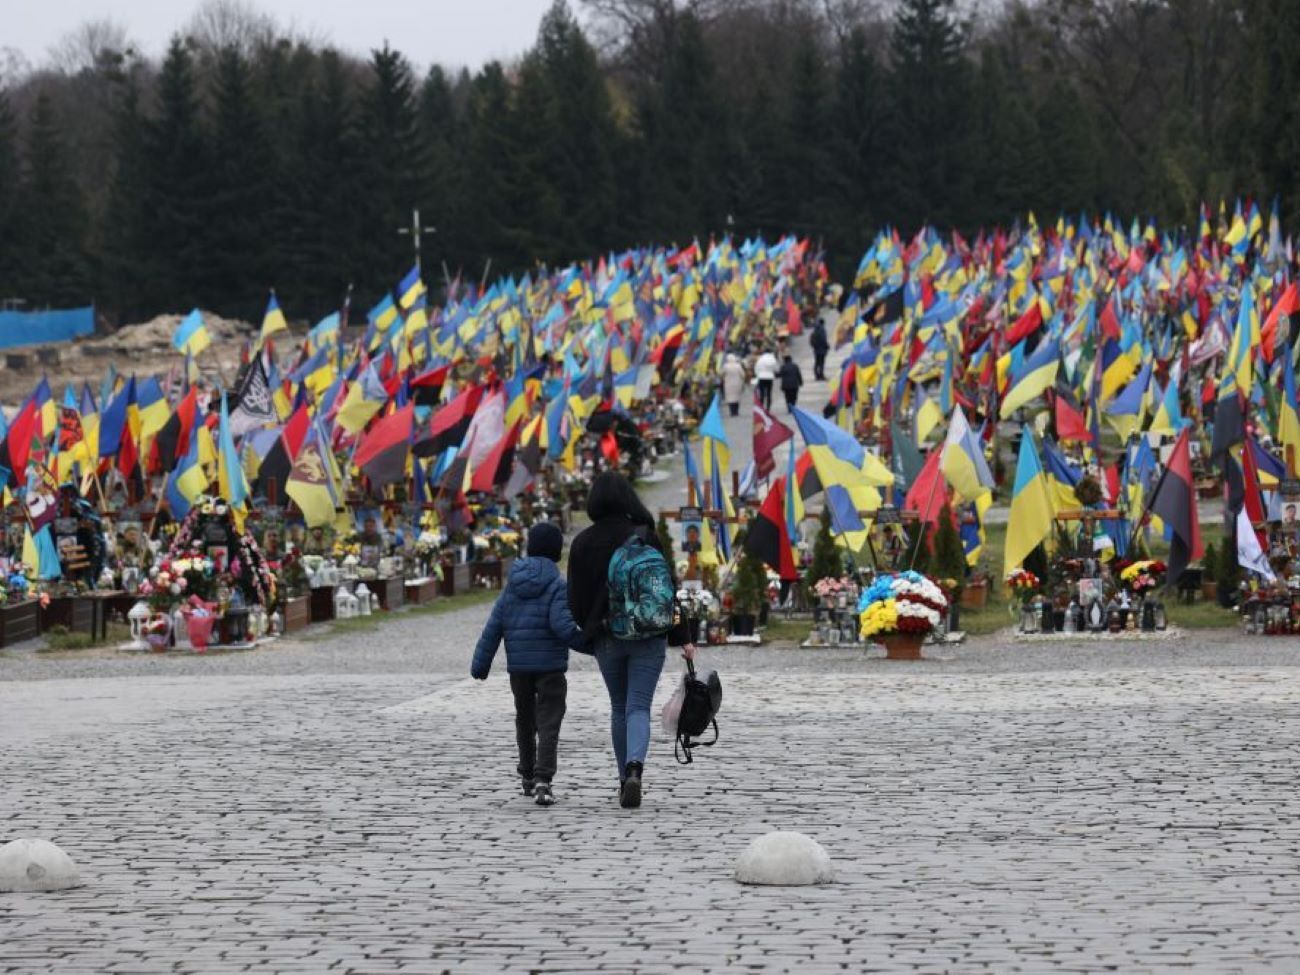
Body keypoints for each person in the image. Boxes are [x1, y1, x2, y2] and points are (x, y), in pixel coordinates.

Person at [568, 472, 695, 809]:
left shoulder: (582, 543)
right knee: (638, 705)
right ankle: (635, 768)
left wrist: (591, 628)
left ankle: (623, 779)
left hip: (607, 637)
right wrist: (682, 636)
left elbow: (575, 601)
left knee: (618, 706)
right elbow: (665, 592)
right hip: (648, 637)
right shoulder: (645, 537)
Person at [471, 522, 588, 807]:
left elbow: (493, 627)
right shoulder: (558, 585)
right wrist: (593, 645)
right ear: (556, 551)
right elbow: (563, 626)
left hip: (519, 668)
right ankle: (543, 779)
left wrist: (480, 665)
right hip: (550, 667)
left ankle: (526, 774)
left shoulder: (512, 586)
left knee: (524, 718)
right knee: (549, 721)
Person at [721, 353, 747, 417]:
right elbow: (743, 375)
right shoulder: (738, 366)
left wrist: (723, 377)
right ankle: (736, 412)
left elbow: (721, 374)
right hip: (738, 383)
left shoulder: (725, 366)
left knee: (730, 398)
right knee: (737, 397)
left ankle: (732, 412)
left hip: (728, 384)